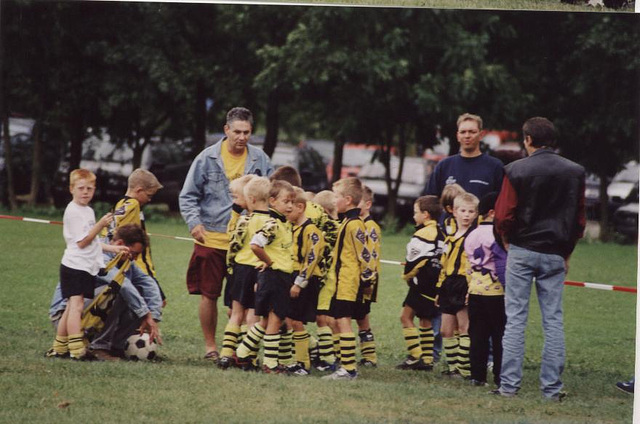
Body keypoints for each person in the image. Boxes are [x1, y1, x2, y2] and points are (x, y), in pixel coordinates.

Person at [494, 117, 585, 401]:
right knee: (553, 320)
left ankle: (509, 386)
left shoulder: (515, 170)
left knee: (516, 320)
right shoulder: (575, 171)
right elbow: (578, 221)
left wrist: (507, 242)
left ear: (528, 139)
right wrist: (566, 253)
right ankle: (551, 389)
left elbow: (503, 215)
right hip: (556, 252)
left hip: (521, 249)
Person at [179, 107, 273, 361]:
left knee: (241, 299)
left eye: (247, 132)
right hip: (211, 237)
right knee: (209, 293)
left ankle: (238, 351)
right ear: (226, 130)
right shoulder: (206, 158)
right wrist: (194, 223)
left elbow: (271, 196)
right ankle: (211, 347)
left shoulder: (260, 159)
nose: (242, 137)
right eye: (237, 132)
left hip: (245, 243)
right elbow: (187, 196)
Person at [50, 224, 163, 361]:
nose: (133, 259)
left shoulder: (124, 258)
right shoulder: (99, 255)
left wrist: (154, 316)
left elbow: (148, 283)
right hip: (65, 316)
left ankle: (115, 347)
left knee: (137, 292)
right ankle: (99, 347)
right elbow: (123, 285)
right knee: (118, 289)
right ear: (120, 244)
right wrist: (145, 313)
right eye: (134, 254)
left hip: (87, 310)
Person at [46, 169, 113, 361]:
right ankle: (77, 350)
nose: (85, 192)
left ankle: (59, 347)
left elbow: (92, 242)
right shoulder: (73, 211)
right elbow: (82, 242)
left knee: (70, 307)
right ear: (71, 189)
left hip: (86, 266)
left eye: (89, 188)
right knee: (76, 306)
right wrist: (100, 225)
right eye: (81, 188)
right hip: (74, 266)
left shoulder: (88, 210)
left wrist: (114, 249)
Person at [235, 180, 296, 373]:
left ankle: (242, 353)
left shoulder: (285, 224)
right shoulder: (273, 224)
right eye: (286, 201)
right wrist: (269, 263)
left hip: (281, 276)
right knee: (276, 320)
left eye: (292, 202)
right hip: (275, 277)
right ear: (272, 201)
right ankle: (270, 364)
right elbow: (255, 244)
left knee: (265, 321)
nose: (290, 206)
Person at [322, 177, 375, 380]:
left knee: (343, 321)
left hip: (348, 282)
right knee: (338, 319)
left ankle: (349, 369)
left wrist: (368, 281)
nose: (334, 201)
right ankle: (345, 365)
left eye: (336, 197)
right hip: (340, 280)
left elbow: (366, 254)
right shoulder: (346, 222)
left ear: (348, 199)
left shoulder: (354, 224)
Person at [464, 192, 507, 387]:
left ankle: (477, 376)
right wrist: (509, 286)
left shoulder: (471, 234)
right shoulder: (496, 236)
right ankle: (500, 376)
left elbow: (468, 264)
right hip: (495, 292)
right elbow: (501, 265)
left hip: (475, 290)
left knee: (477, 335)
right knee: (499, 336)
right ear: (492, 212)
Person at [397, 195, 444, 371]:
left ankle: (416, 356)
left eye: (416, 212)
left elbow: (413, 260)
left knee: (405, 317)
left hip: (422, 283)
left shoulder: (423, 233)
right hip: (435, 285)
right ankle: (428, 359)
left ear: (425, 214)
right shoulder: (441, 232)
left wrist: (407, 276)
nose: (414, 215)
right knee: (425, 320)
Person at [435, 192, 479, 379]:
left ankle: (465, 370)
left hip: (464, 284)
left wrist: (471, 288)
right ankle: (453, 368)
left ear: (476, 214)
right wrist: (439, 288)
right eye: (463, 210)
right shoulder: (450, 236)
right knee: (446, 330)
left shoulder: (474, 237)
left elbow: (475, 265)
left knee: (465, 328)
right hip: (448, 284)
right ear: (454, 212)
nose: (466, 215)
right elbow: (444, 265)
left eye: (471, 211)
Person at [105, 168, 166, 302]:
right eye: (149, 195)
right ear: (138, 190)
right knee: (154, 302)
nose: (150, 200)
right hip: (139, 266)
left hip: (127, 265)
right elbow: (113, 226)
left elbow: (110, 224)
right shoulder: (133, 204)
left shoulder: (120, 203)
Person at [286, 187, 325, 375]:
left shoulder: (311, 230)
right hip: (293, 276)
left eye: (289, 209)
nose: (286, 213)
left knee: (296, 321)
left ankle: (303, 364)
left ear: (300, 207)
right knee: (292, 320)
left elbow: (312, 257)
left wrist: (299, 282)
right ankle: (300, 359)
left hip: (306, 280)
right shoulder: (292, 227)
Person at [423, 113, 504, 200]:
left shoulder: (495, 166)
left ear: (481, 135)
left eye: (472, 132)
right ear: (458, 136)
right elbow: (430, 202)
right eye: (463, 132)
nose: (467, 136)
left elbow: (502, 203)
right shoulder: (444, 166)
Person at [354, 185, 381, 367]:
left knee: (362, 317)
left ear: (368, 204)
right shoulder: (356, 223)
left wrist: (368, 280)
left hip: (366, 278)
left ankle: (369, 357)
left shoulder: (370, 227)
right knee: (357, 316)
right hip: (355, 276)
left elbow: (371, 254)